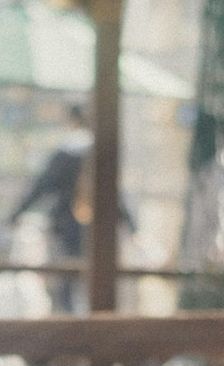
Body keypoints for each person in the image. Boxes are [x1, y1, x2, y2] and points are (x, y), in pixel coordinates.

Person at [8, 105, 133, 269]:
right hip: (99, 225)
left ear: (72, 121)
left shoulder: (66, 152)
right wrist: (131, 226)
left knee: (67, 270)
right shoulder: (99, 152)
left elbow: (42, 185)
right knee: (96, 269)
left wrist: (16, 213)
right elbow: (113, 193)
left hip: (66, 222)